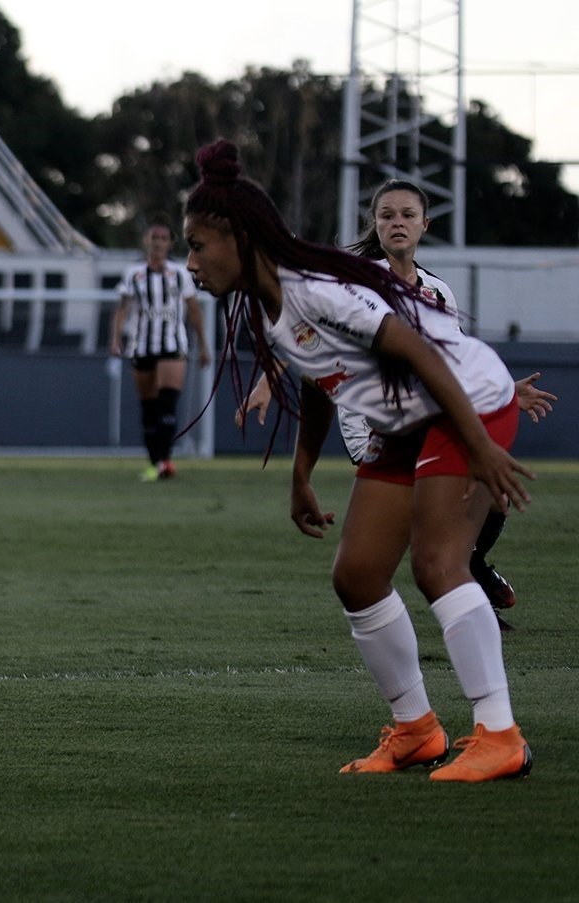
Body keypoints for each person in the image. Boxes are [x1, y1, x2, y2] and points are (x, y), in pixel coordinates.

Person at [185, 138, 534, 782]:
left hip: (465, 402)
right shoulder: (268, 308)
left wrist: (481, 444)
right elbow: (321, 383)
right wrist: (300, 478)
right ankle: (416, 731)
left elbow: (420, 352)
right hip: (410, 416)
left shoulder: (321, 288)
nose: (191, 262)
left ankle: (499, 734)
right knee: (358, 575)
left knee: (437, 565)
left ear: (238, 239)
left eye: (198, 246)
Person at [236, 179, 556, 626]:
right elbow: (310, 332)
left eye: (407, 215)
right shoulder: (355, 280)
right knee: (422, 518)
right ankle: (455, 587)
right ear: (376, 223)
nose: (397, 223)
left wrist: (505, 388)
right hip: (369, 418)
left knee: (492, 500)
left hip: (428, 410)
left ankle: (468, 569)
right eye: (387, 215)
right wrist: (269, 380)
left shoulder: (438, 291)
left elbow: (450, 354)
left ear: (425, 224)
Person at [109, 215, 211, 481]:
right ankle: (154, 463)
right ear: (146, 241)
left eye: (163, 238)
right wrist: (116, 338)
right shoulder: (134, 274)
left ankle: (165, 461)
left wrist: (203, 345)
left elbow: (194, 310)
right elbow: (123, 309)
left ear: (170, 243)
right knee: (148, 409)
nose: (158, 243)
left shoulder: (180, 274)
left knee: (167, 405)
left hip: (172, 345)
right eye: (154, 238)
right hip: (141, 346)